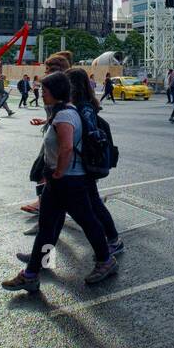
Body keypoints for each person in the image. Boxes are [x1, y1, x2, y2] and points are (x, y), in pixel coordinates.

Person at [3, 72, 116, 292]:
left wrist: (59, 172)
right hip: (61, 181)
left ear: (55, 92)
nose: (42, 94)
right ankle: (31, 273)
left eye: (44, 91)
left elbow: (66, 147)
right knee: (48, 226)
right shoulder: (65, 111)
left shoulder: (64, 115)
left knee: (88, 221)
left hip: (69, 181)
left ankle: (106, 260)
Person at [63, 68, 124, 258]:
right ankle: (39, 257)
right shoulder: (80, 105)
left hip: (84, 164)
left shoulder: (84, 107)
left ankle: (112, 242)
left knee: (93, 204)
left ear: (73, 85)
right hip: (78, 165)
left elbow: (90, 135)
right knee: (87, 204)